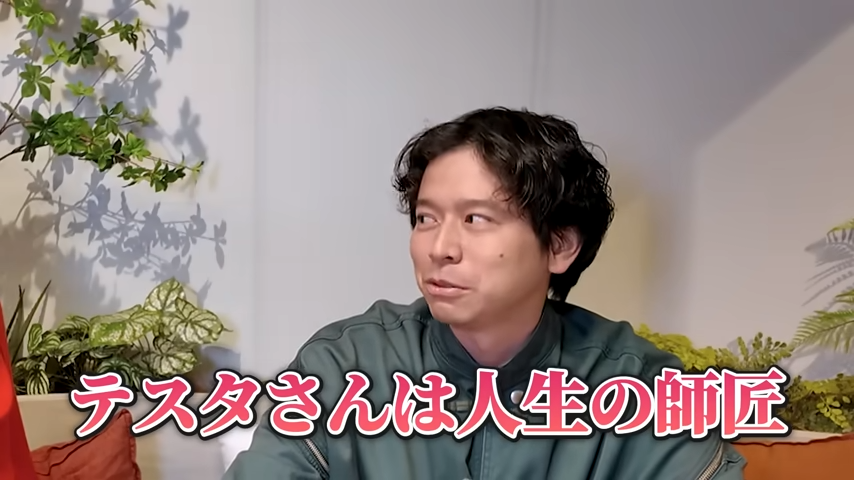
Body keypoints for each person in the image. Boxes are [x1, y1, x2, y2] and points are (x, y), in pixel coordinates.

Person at [224, 107, 746, 479]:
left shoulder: (640, 390)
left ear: (560, 245)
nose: (440, 248)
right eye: (426, 218)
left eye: (475, 219)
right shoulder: (345, 368)